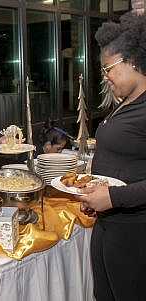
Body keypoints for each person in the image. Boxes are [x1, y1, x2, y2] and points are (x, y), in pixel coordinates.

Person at [76, 12, 146, 301]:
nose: (105, 76)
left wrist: (113, 199)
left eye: (109, 68)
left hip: (136, 234)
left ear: (133, 61)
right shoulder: (124, 103)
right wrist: (98, 200)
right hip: (108, 226)